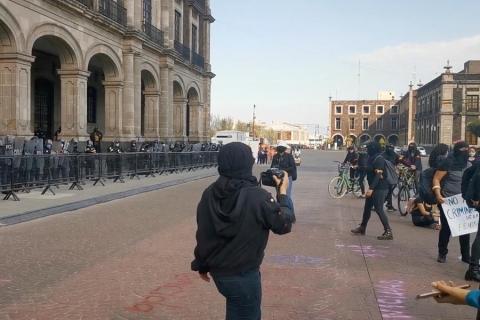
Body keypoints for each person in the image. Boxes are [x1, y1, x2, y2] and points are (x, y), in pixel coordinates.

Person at [191, 142, 294, 320]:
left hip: (219, 272)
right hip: (243, 274)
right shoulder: (258, 196)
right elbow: (283, 224)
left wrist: (201, 264)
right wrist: (282, 193)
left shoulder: (210, 192)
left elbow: (203, 231)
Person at [432, 141, 470, 264]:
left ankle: (465, 255)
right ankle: (442, 253)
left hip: (464, 202)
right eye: (462, 149)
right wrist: (438, 194)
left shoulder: (468, 164)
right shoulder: (448, 162)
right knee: (446, 229)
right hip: (448, 200)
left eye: (467, 149)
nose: (465, 152)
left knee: (465, 229)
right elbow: (436, 179)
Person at [351, 141, 393, 240]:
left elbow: (378, 175)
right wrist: (358, 168)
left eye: (369, 148)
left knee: (378, 209)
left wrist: (371, 189)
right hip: (373, 187)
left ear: (373, 148)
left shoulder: (379, 159)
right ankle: (362, 227)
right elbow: (368, 170)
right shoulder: (371, 158)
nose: (367, 150)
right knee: (367, 208)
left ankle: (388, 231)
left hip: (380, 188)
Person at [271, 140, 297, 217]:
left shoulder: (289, 156)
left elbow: (293, 167)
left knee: (287, 196)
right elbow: (272, 166)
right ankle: (281, 214)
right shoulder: (275, 156)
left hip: (287, 177)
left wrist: (283, 170)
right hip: (277, 178)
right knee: (279, 196)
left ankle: (292, 214)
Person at [382, 144, 403, 212]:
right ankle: (384, 203)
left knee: (391, 188)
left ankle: (389, 204)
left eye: (391, 148)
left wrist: (410, 165)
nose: (390, 149)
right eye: (388, 148)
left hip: (392, 173)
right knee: (388, 189)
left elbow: (401, 160)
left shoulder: (395, 155)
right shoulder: (382, 155)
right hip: (385, 174)